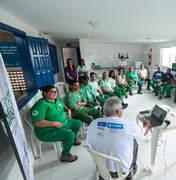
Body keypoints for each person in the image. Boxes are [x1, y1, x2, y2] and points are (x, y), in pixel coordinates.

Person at [86, 97, 150, 180]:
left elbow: (89, 143)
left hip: (101, 168)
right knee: (134, 142)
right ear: (118, 112)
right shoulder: (128, 125)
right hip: (120, 171)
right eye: (121, 108)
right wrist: (146, 125)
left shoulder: (93, 123)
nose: (122, 110)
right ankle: (131, 172)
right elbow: (142, 135)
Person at [30, 85, 81, 162]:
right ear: (45, 93)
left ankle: (70, 140)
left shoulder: (56, 100)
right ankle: (65, 155)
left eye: (55, 91)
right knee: (70, 135)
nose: (55, 93)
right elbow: (37, 122)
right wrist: (54, 123)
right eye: (52, 92)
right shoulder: (41, 104)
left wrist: (68, 110)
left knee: (77, 123)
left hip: (63, 123)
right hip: (47, 130)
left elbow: (63, 106)